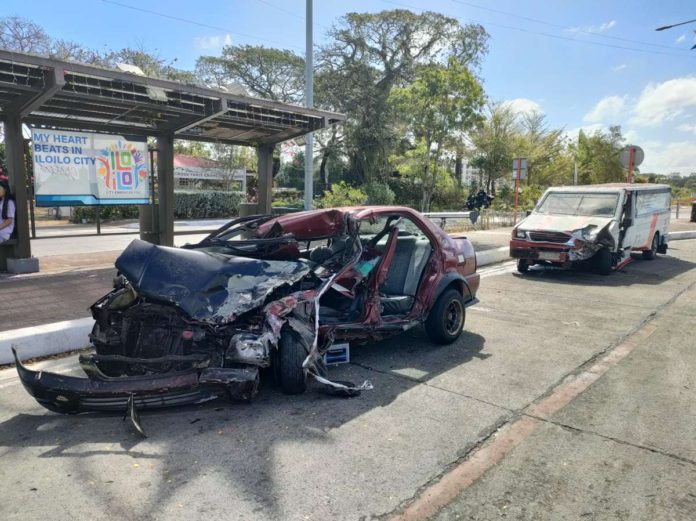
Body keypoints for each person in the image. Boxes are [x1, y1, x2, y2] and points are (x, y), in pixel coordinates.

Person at [0, 178, 16, 244]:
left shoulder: (9, 203)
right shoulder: (1, 202)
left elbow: (9, 221)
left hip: (4, 233)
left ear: (5, 190)